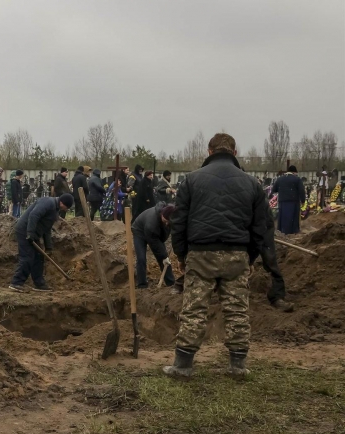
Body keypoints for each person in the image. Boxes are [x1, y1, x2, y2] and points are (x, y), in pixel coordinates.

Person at [165, 133, 267, 379]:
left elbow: (179, 222)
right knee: (237, 310)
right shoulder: (252, 184)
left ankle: (183, 365)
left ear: (209, 152)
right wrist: (250, 257)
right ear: (234, 153)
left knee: (194, 308)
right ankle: (238, 365)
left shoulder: (190, 181)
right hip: (237, 254)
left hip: (201, 254)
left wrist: (181, 255)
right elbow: (260, 227)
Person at [8, 194, 73, 293]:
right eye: (66, 207)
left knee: (39, 257)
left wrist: (49, 247)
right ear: (62, 203)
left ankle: (39, 284)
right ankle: (16, 283)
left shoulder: (55, 211)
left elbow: (47, 230)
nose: (66, 210)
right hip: (24, 230)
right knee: (27, 257)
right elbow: (34, 215)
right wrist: (29, 233)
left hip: (33, 233)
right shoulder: (47, 203)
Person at [131, 202, 176, 289]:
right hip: (139, 232)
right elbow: (155, 244)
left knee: (164, 259)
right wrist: (164, 256)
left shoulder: (169, 215)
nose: (167, 224)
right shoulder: (152, 223)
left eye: (168, 222)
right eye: (166, 221)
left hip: (154, 234)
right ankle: (142, 284)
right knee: (141, 258)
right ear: (162, 215)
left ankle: (170, 283)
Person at [271, 165, 305, 235]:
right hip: (293, 201)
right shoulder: (297, 179)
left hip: (282, 201)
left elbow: (274, 189)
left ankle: (282, 231)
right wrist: (303, 201)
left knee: (283, 217)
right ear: (294, 172)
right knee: (293, 218)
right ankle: (293, 231)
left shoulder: (280, 179)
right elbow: (301, 191)